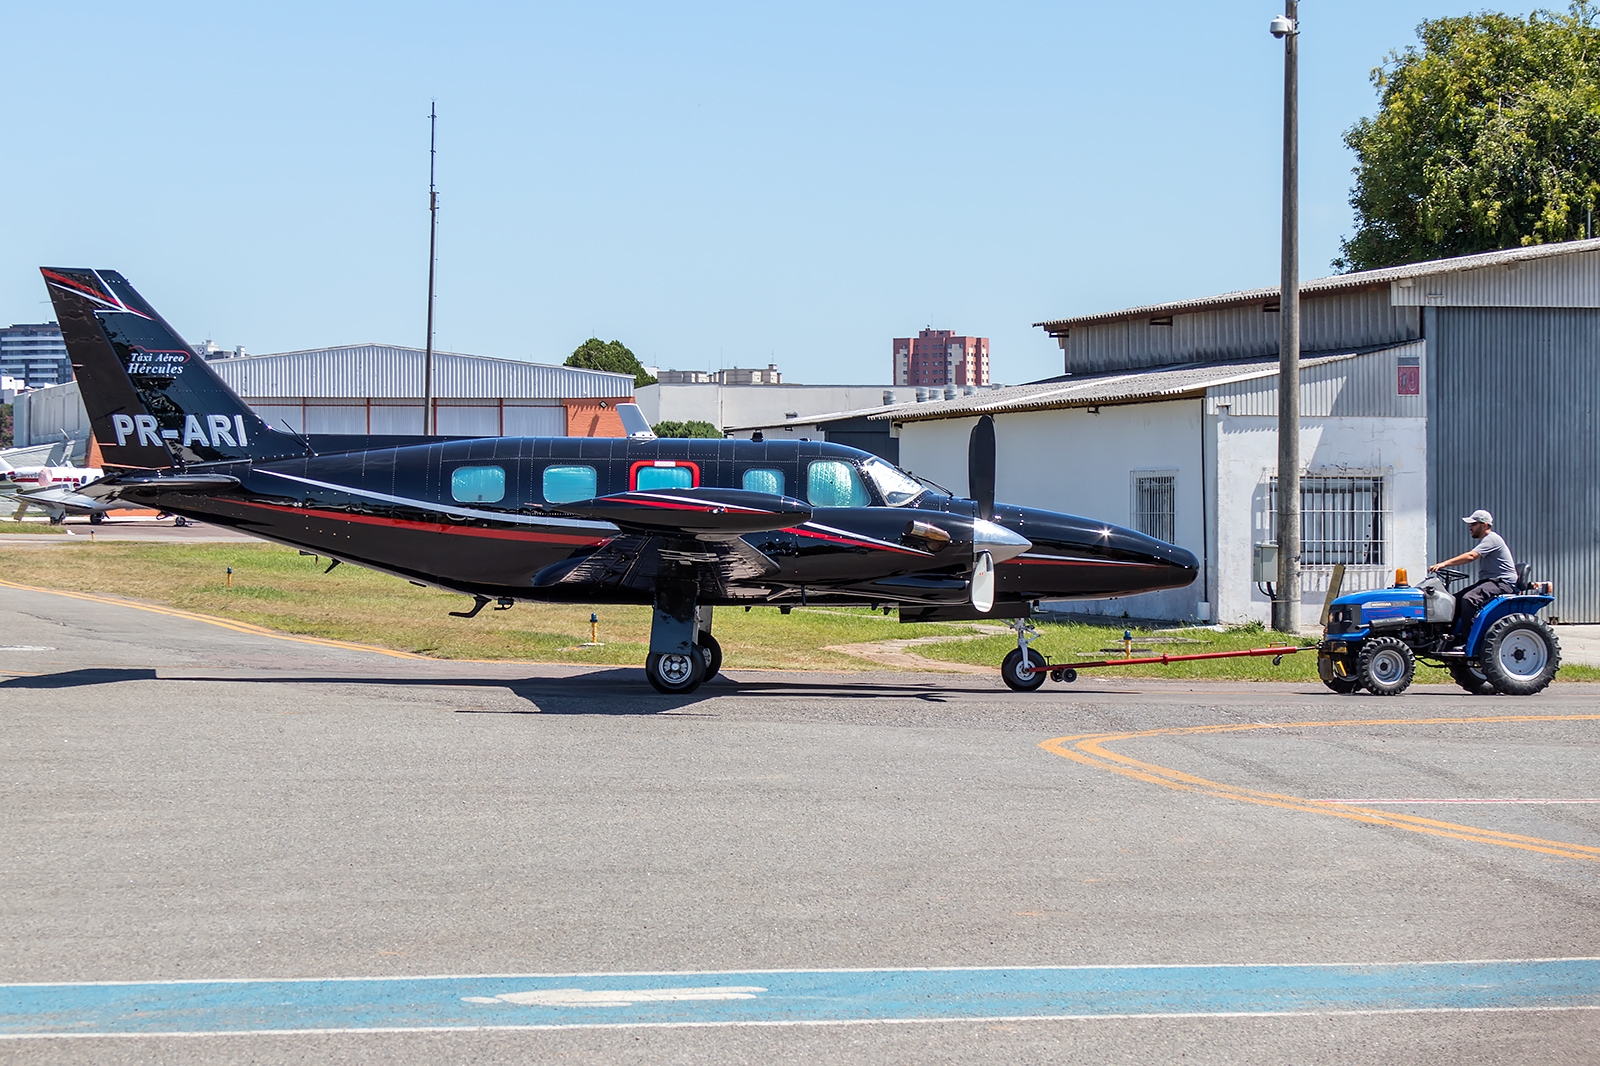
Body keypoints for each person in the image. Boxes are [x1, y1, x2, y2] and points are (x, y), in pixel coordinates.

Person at [1429, 508, 1518, 636]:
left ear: (1485, 525)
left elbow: (1471, 556)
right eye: (1470, 524)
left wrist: (1443, 564)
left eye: (1474, 524)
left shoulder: (1492, 539)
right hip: (1490, 581)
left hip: (1502, 583)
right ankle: (1447, 637)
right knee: (1453, 600)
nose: (1470, 527)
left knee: (1469, 599)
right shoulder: (1486, 540)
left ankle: (1467, 639)